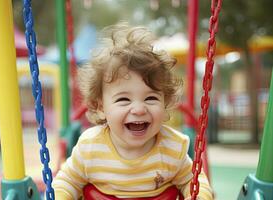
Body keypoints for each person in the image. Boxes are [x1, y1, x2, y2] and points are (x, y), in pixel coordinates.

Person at [52, 23, 213, 200]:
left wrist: (198, 196)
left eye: (151, 98)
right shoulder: (90, 148)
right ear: (100, 108)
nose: (138, 109)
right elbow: (67, 181)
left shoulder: (172, 148)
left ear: (165, 102)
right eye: (123, 100)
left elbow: (194, 181)